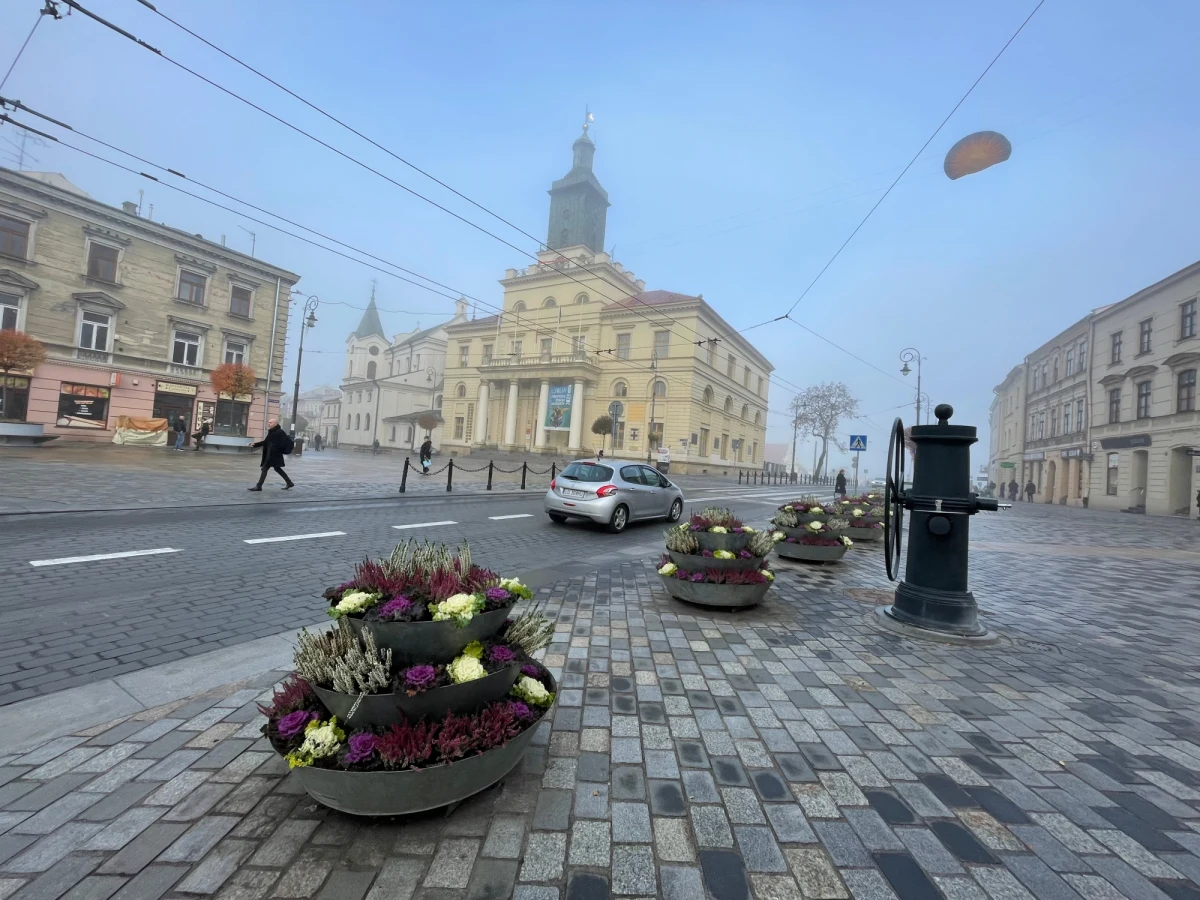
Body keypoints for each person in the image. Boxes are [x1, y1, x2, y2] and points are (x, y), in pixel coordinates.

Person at [249, 417, 295, 491]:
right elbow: (265, 442)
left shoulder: (280, 432)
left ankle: (259, 486)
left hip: (274, 455)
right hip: (270, 454)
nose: (269, 423)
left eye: (271, 422)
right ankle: (289, 482)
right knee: (277, 469)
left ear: (276, 423)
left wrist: (277, 449)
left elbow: (285, 442)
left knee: (265, 468)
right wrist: (254, 444)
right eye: (269, 422)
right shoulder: (272, 432)